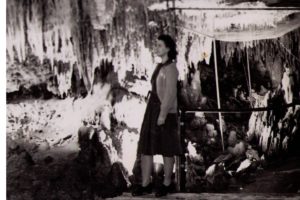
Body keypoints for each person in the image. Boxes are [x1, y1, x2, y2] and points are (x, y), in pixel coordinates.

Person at [132, 34, 182, 197]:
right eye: (157, 45)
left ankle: (167, 183)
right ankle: (146, 183)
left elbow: (170, 93)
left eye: (160, 45)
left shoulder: (171, 68)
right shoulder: (159, 66)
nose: (157, 48)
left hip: (165, 112)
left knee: (167, 148)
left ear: (168, 48)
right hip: (152, 109)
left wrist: (162, 114)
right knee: (147, 148)